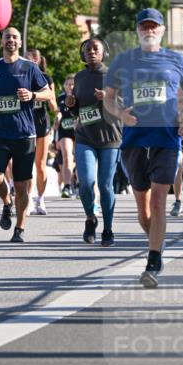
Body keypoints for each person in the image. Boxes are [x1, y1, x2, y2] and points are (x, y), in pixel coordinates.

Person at [104, 8, 183, 288]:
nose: (149, 30)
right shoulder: (123, 60)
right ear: (137, 30)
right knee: (144, 210)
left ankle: (153, 260)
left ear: (162, 30)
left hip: (166, 138)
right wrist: (120, 114)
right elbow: (109, 98)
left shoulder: (176, 59)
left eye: (153, 26)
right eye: (144, 26)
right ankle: (157, 240)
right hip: (134, 140)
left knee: (158, 201)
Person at [0, 28, 51, 243]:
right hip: (0, 132)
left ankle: (20, 228)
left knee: (22, 185)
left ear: (20, 42)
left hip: (25, 134)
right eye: (7, 37)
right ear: (1, 41)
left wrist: (32, 95)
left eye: (14, 37)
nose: (11, 40)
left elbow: (48, 93)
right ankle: (6, 202)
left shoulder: (30, 67)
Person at [69, 38, 121, 246]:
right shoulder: (79, 77)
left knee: (105, 185)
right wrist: (71, 105)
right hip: (85, 136)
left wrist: (107, 98)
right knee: (86, 183)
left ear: (103, 53)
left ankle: (108, 229)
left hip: (110, 137)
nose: (91, 52)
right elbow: (77, 109)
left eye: (95, 49)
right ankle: (91, 218)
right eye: (87, 49)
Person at [25, 48, 57, 215]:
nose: (25, 61)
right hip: (25, 123)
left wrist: (49, 99)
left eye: (28, 59)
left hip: (41, 123)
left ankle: (41, 198)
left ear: (36, 61)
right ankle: (28, 199)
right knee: (27, 164)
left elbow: (53, 106)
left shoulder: (46, 78)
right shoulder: (21, 77)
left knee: (41, 164)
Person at [54, 74, 77, 197]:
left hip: (78, 131)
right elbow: (59, 112)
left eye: (72, 84)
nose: (70, 86)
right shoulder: (61, 98)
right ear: (64, 86)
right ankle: (67, 186)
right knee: (67, 156)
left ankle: (79, 184)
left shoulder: (80, 96)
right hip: (65, 131)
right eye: (68, 84)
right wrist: (57, 118)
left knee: (79, 158)